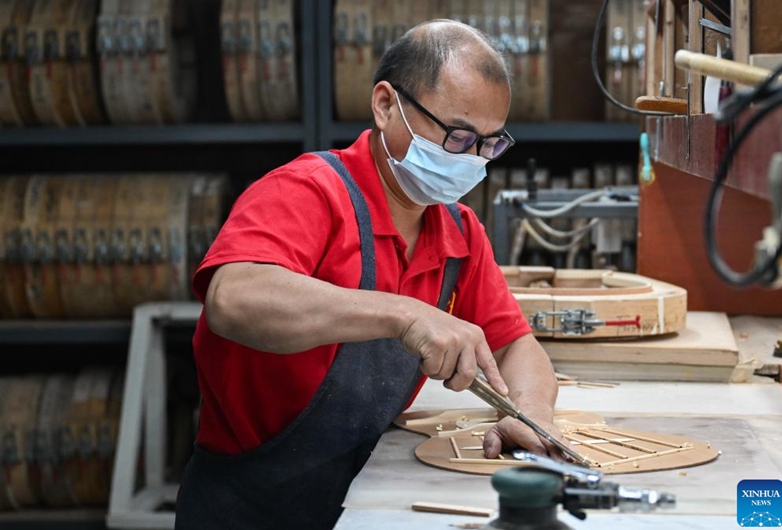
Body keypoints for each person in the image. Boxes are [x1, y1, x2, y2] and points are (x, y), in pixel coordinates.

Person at [175, 19, 562, 530]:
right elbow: (233, 297)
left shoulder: (459, 232)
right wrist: (402, 314)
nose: (472, 161)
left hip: (367, 496)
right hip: (251, 507)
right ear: (385, 105)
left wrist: (528, 414)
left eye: (488, 144)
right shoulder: (307, 192)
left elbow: (514, 346)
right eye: (457, 136)